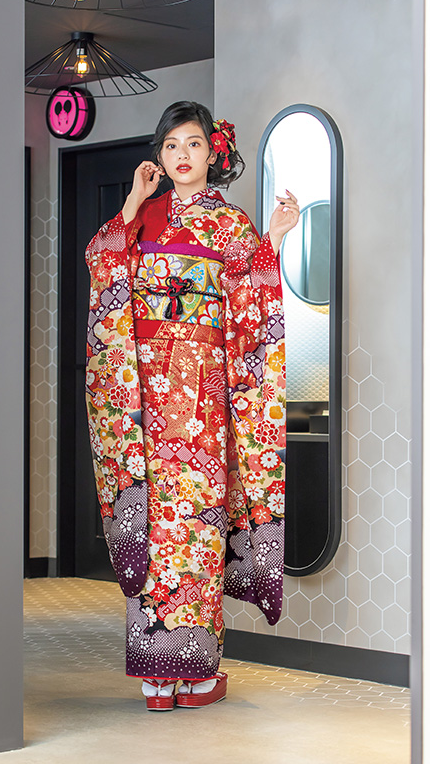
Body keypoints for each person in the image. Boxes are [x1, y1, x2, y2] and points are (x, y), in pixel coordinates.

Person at [85, 101, 299, 711]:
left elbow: (250, 296)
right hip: (146, 392)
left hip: (202, 391)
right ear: (159, 155)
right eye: (172, 145)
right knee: (157, 522)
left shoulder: (230, 224)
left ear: (213, 152)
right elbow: (103, 267)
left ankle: (192, 672)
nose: (183, 155)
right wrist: (133, 201)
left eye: (194, 144)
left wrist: (274, 238)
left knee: (195, 520)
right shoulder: (142, 216)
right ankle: (161, 676)